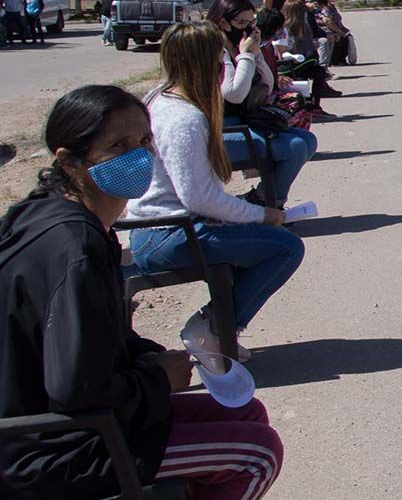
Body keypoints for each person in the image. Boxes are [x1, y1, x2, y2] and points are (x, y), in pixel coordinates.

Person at [0, 85, 283, 500]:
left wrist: (145, 355)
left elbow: (92, 338)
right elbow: (75, 391)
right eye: (118, 145)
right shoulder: (75, 247)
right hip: (52, 447)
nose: (138, 155)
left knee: (247, 411)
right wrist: (156, 379)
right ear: (70, 161)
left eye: (144, 141)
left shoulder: (61, 217)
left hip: (70, 424)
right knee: (256, 455)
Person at [126, 22, 305, 367]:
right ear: (206, 64)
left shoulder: (162, 99)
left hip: (163, 228)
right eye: (221, 59)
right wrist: (263, 214)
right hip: (169, 234)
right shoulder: (184, 119)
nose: (225, 66)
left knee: (255, 240)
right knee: (285, 246)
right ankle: (212, 326)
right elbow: (199, 198)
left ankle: (218, 323)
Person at [207, 0, 318, 208]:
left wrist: (256, 55)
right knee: (294, 147)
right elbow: (234, 94)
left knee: (307, 140)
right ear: (223, 22)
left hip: (245, 122)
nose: (247, 28)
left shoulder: (239, 45)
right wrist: (246, 55)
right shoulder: (216, 50)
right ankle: (269, 204)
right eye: (241, 23)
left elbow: (268, 84)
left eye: (251, 23)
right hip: (221, 130)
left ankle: (262, 199)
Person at [278, 0, 339, 119]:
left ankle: (315, 107)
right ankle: (306, 107)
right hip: (289, 64)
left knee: (319, 71)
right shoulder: (284, 29)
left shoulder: (305, 28)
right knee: (305, 68)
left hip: (303, 62)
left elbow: (309, 46)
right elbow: (282, 54)